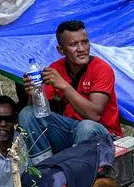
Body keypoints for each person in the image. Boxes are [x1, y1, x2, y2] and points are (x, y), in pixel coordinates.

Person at [18, 20, 121, 164]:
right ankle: (43, 170)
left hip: (103, 136)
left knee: (86, 126)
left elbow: (94, 115)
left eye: (85, 42)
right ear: (61, 50)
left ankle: (76, 174)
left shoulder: (102, 69)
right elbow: (36, 112)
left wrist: (64, 86)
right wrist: (34, 92)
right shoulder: (55, 68)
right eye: (73, 44)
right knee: (27, 113)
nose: (81, 48)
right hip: (70, 132)